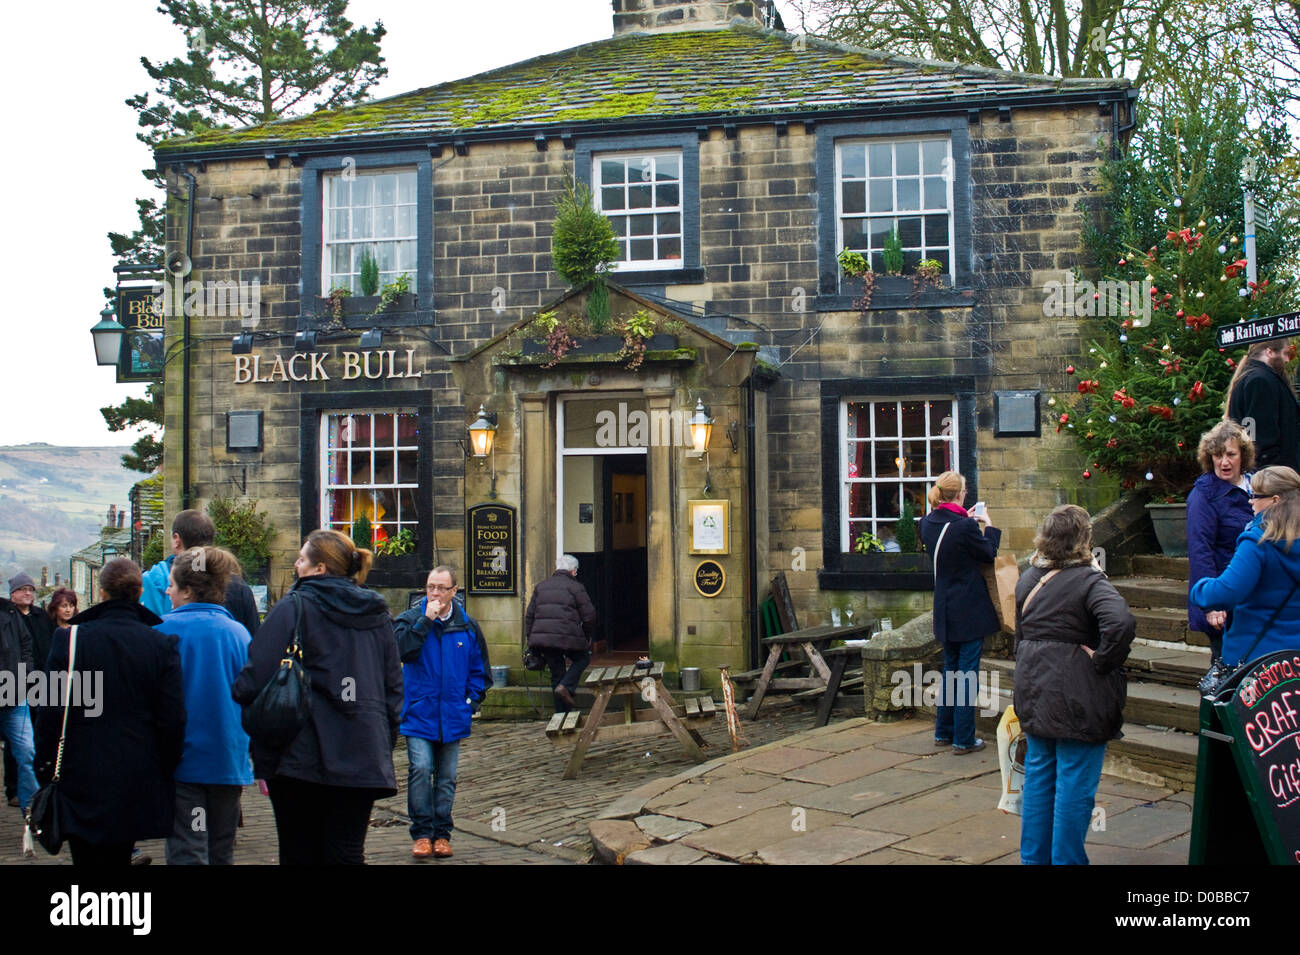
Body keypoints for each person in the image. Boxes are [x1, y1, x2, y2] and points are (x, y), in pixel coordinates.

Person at [232, 530, 402, 865]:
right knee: (346, 852)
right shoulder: (377, 614)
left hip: (299, 755)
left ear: (319, 568)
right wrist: (382, 739)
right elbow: (393, 688)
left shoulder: (294, 606)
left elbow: (251, 680)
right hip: (362, 752)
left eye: (301, 558)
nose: (295, 564)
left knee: (299, 851)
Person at [34, 558, 186, 866]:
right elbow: (172, 719)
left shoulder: (70, 640)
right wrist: (165, 767)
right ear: (139, 592)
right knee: (120, 854)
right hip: (136, 771)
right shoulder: (160, 644)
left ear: (101, 592)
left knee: (84, 858)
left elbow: (49, 710)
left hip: (80, 771)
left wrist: (45, 764)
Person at [1014, 505, 1135, 866]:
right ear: (1084, 539)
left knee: (1038, 778)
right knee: (1074, 786)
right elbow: (1121, 623)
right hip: (1076, 695)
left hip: (1033, 689)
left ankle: (1034, 860)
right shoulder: (1089, 580)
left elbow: (1020, 635)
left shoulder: (1028, 577)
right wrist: (1100, 660)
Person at [154, 546, 253, 865]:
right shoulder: (238, 634)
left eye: (171, 585)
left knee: (187, 848)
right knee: (221, 850)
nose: (167, 591)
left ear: (187, 590)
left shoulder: (161, 632)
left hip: (183, 761)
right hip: (228, 759)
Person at [391, 565, 488, 860]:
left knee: (446, 778)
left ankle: (442, 834)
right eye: (430, 586)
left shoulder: (467, 626)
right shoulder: (408, 620)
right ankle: (421, 833)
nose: (434, 593)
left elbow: (480, 670)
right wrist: (425, 621)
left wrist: (471, 702)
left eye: (441, 588)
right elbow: (400, 652)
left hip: (453, 714)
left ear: (453, 592)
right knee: (420, 770)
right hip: (419, 712)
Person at [918, 471, 1000, 754]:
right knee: (967, 675)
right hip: (968, 609)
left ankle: (944, 731)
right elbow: (988, 553)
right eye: (964, 490)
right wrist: (987, 525)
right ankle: (964, 739)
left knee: (950, 671)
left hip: (943, 607)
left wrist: (966, 517)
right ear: (960, 494)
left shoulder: (926, 522)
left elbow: (950, 533)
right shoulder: (964, 527)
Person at [1190, 465, 1300, 668]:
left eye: (1256, 495)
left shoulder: (1258, 543)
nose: (1250, 501)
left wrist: (1199, 589)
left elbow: (1226, 592)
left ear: (1275, 501)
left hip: (1260, 661)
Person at [1186, 421, 1255, 663]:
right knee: (1225, 676)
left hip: (1254, 598)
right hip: (1223, 598)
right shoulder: (1203, 495)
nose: (1224, 462)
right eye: (1217, 455)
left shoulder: (1258, 486)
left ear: (1242, 456)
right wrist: (1213, 604)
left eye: (1230, 454)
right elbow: (1200, 551)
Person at [141, 509, 260, 635]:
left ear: (177, 539)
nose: (168, 591)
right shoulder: (238, 584)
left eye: (171, 585)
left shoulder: (154, 579)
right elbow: (255, 639)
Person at [525, 554, 598, 712]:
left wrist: (531, 640)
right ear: (573, 571)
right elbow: (590, 616)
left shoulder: (541, 586)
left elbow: (529, 616)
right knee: (583, 658)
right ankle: (566, 687)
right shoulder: (576, 587)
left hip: (544, 639)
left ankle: (560, 716)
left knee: (556, 673)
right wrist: (586, 636)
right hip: (568, 636)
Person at [1225, 337, 1299, 473]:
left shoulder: (1256, 377)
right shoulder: (1260, 381)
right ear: (1270, 352)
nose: (1287, 360)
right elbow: (1261, 438)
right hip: (1273, 475)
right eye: (1285, 353)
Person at [0, 576, 38, 829]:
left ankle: (33, 811)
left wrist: (23, 677)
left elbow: (26, 645)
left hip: (14, 696)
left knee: (26, 752)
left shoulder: (9, 613)